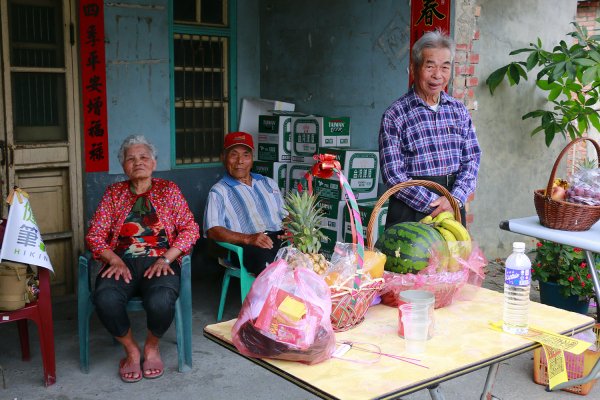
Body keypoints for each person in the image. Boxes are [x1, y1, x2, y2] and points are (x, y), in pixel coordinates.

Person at [85, 135, 200, 383]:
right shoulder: (114, 193)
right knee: (105, 298)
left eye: (144, 157)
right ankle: (131, 350)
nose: (138, 162)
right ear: (124, 166)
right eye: (131, 158)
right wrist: (113, 259)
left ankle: (151, 346)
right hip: (121, 263)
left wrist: (167, 259)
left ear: (154, 163)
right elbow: (94, 236)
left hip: (160, 261)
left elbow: (191, 229)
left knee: (161, 300)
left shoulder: (169, 191)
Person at [379, 30, 481, 228]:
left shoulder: (458, 110)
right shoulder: (395, 114)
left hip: (452, 206)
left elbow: (472, 159)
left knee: (454, 259)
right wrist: (433, 204)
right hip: (410, 210)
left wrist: (454, 199)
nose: (437, 75)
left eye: (445, 67)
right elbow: (393, 174)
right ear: (413, 68)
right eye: (430, 66)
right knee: (408, 259)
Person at [204, 131, 287, 274]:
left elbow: (285, 215)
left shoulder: (268, 183)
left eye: (246, 155)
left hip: (278, 238)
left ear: (252, 158)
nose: (240, 161)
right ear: (223, 157)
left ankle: (299, 296)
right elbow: (213, 230)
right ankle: (275, 296)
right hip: (245, 246)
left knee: (305, 257)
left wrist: (292, 230)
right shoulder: (219, 191)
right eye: (234, 154)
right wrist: (249, 238)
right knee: (270, 266)